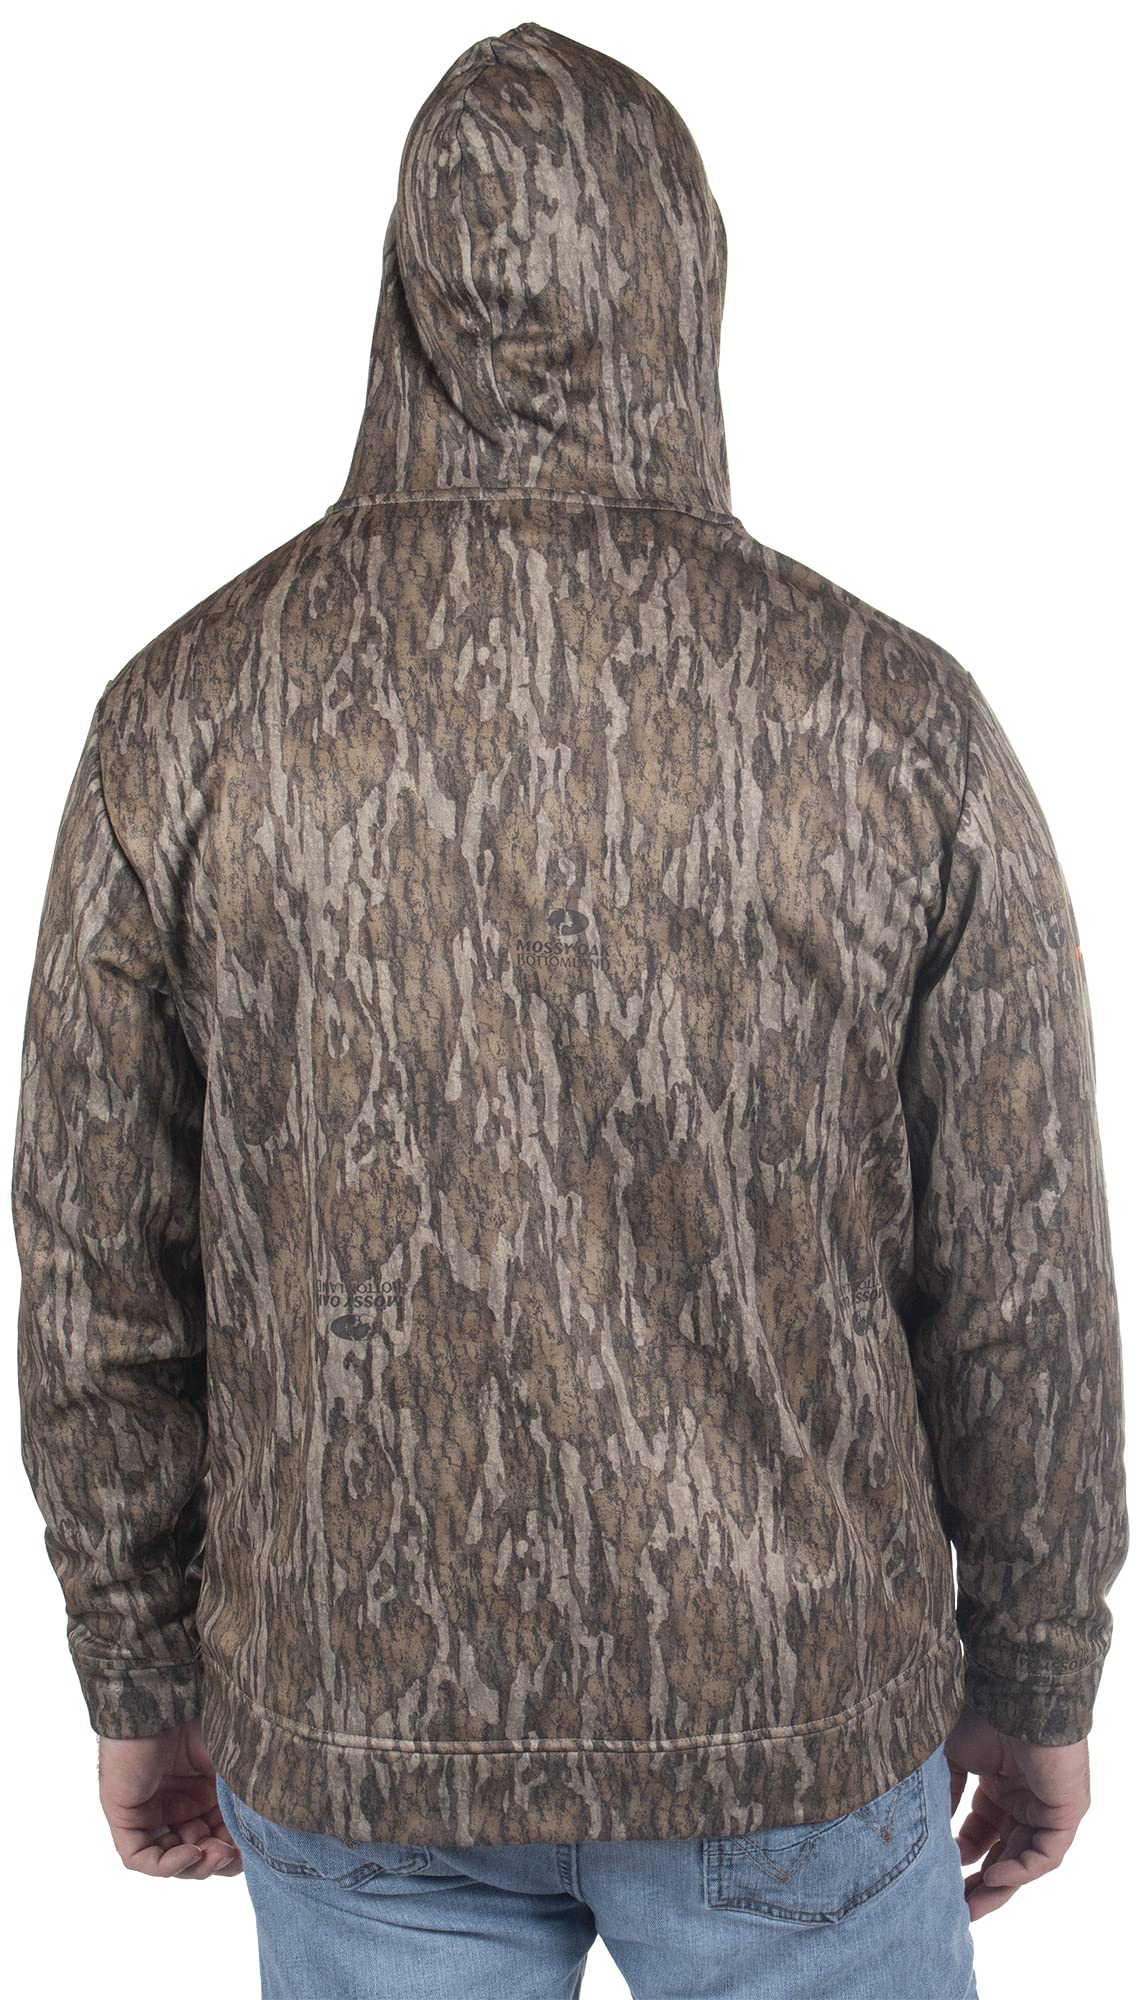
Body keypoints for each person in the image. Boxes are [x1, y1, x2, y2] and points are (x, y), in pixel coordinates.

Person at [12, 20, 1128, 1999]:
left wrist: (141, 1666)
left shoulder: (187, 718)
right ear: (690, 285)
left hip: (357, 1719)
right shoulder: (894, 728)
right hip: (788, 1720)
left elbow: (97, 1260)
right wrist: (1037, 1674)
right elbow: (1019, 1264)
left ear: (404, 297)